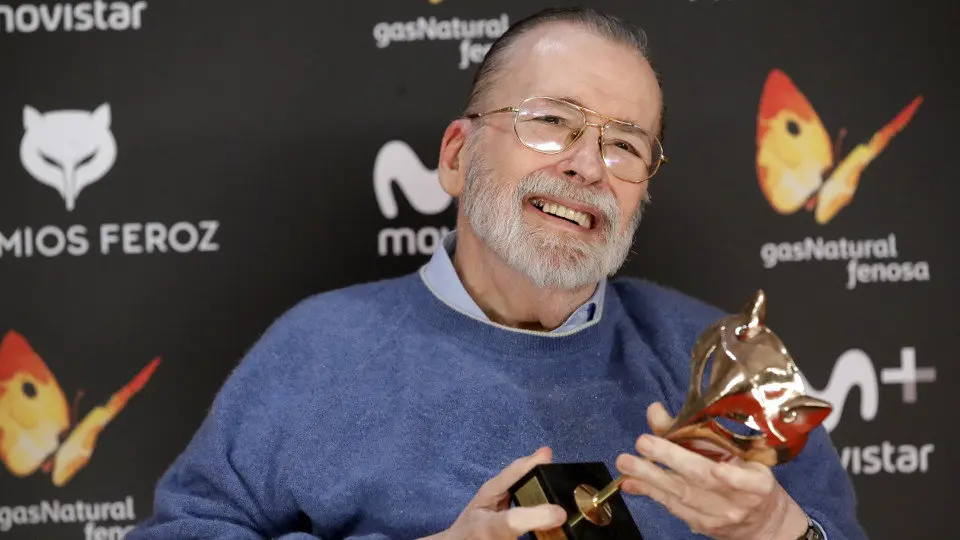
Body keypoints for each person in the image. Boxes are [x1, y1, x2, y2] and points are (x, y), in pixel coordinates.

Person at [128, 6, 866, 540]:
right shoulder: (316, 349)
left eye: (625, 145)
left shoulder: (721, 365)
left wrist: (776, 527)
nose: (585, 164)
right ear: (456, 156)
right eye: (551, 121)